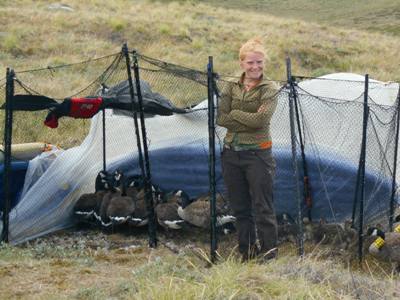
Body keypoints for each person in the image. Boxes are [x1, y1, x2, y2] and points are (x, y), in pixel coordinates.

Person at [217, 37, 279, 262]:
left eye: (259, 62)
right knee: (241, 208)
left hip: (258, 155)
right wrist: (243, 118)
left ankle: (269, 255)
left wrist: (234, 114)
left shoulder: (269, 88)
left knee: (263, 207)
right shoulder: (231, 85)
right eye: (251, 63)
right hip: (231, 154)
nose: (255, 67)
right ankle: (248, 253)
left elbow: (261, 121)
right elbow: (220, 117)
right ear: (242, 63)